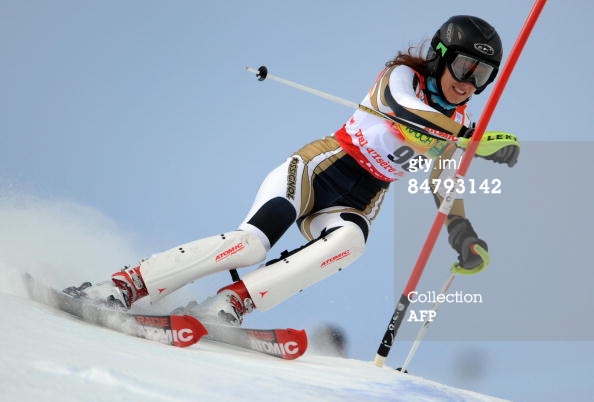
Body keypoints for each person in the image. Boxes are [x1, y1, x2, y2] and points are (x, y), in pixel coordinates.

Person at [71, 15, 520, 326]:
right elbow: (403, 110)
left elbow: (443, 182)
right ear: (441, 56)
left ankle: (231, 304)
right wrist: (471, 141)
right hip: (316, 170)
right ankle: (126, 284)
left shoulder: (460, 126)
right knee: (251, 245)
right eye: (464, 66)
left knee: (351, 242)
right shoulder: (401, 78)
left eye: (482, 76)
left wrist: (462, 232)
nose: (468, 83)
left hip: (358, 199)